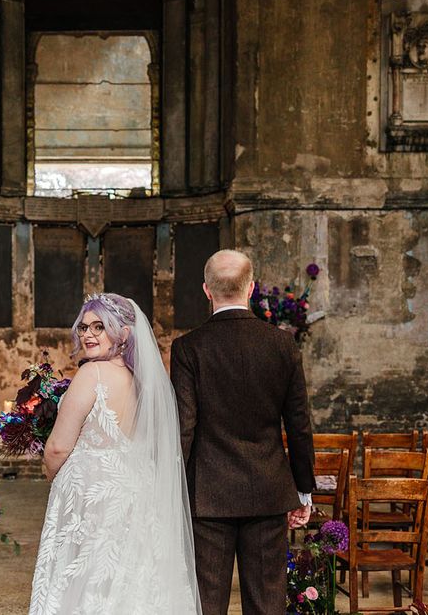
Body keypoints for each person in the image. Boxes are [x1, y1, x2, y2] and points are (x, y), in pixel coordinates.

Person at [30, 293, 202, 614]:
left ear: (123, 333)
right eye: (83, 328)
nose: (88, 335)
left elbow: (57, 447)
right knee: (131, 578)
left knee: (89, 581)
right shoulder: (143, 383)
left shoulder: (91, 375)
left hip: (93, 500)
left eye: (99, 327)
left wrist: (51, 474)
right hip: (135, 492)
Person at [170, 250, 315, 615]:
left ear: (206, 290)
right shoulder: (282, 345)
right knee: (267, 604)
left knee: (206, 603)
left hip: (208, 495)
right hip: (268, 490)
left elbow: (184, 428)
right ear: (250, 288)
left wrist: (170, 490)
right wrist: (303, 491)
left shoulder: (188, 348)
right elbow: (298, 425)